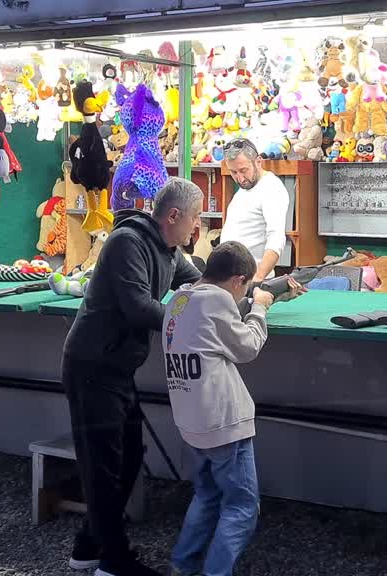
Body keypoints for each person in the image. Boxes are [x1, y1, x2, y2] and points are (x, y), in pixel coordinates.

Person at [62, 177, 204, 576]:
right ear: (173, 215)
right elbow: (139, 308)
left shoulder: (170, 249)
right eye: (195, 219)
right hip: (93, 368)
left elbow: (196, 283)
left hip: (118, 369)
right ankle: (115, 561)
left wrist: (237, 290)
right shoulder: (128, 242)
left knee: (128, 459)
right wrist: (192, 323)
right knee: (103, 466)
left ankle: (89, 544)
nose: (197, 227)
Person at [161, 242, 306, 576]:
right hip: (224, 423)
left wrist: (272, 295)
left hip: (192, 421)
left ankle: (182, 566)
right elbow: (248, 346)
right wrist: (260, 309)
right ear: (240, 280)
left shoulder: (180, 299)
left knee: (207, 495)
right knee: (242, 507)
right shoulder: (216, 302)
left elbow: (212, 327)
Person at [220, 139, 289, 282]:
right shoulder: (244, 190)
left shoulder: (271, 188)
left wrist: (259, 278)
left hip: (253, 281)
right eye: (233, 172)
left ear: (258, 161)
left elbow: (276, 238)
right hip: (232, 279)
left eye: (243, 170)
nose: (239, 178)